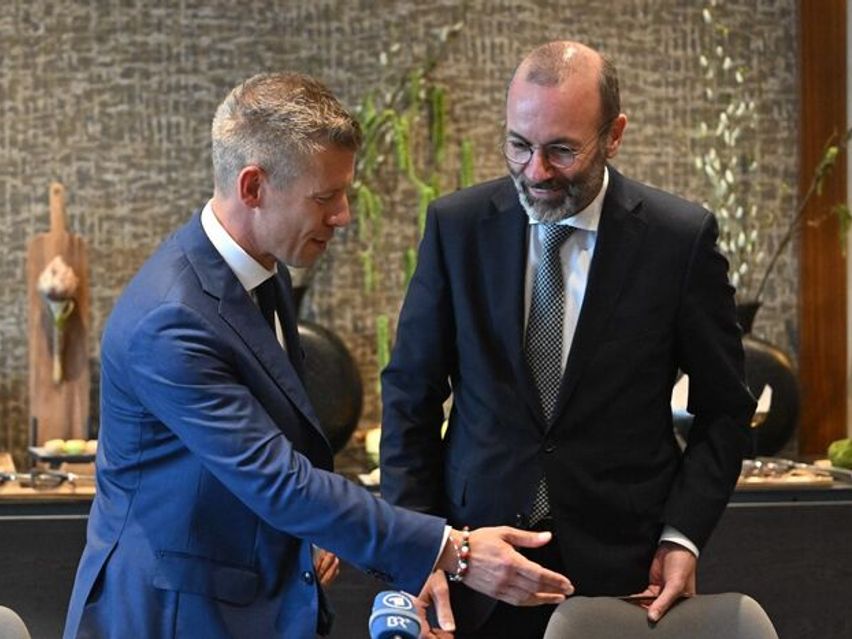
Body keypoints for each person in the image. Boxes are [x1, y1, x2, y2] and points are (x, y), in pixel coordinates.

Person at [62, 72, 573, 639]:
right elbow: (277, 481)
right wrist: (455, 550)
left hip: (250, 600)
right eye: (325, 197)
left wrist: (310, 533)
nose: (344, 215)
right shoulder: (170, 320)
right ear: (253, 188)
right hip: (172, 616)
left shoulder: (266, 270)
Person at [380, 41, 756, 638]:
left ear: (614, 135)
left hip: (623, 574)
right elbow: (409, 395)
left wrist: (682, 534)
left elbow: (725, 409)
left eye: (561, 150)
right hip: (477, 568)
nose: (536, 171)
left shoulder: (677, 240)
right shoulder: (458, 227)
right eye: (518, 145)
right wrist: (419, 543)